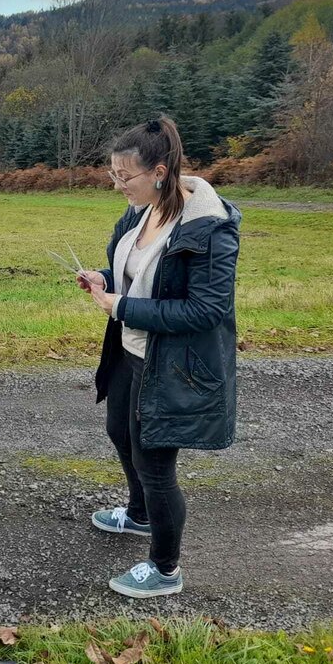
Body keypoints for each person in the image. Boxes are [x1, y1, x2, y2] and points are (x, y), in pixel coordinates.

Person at [78, 116, 240, 598]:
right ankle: (140, 515)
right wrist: (106, 279)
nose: (117, 186)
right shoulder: (139, 212)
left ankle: (166, 569)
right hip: (130, 350)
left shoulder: (209, 228)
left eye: (125, 177)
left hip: (172, 364)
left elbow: (206, 309)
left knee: (155, 466)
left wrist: (123, 307)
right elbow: (137, 269)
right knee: (118, 432)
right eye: (112, 175)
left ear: (160, 171)